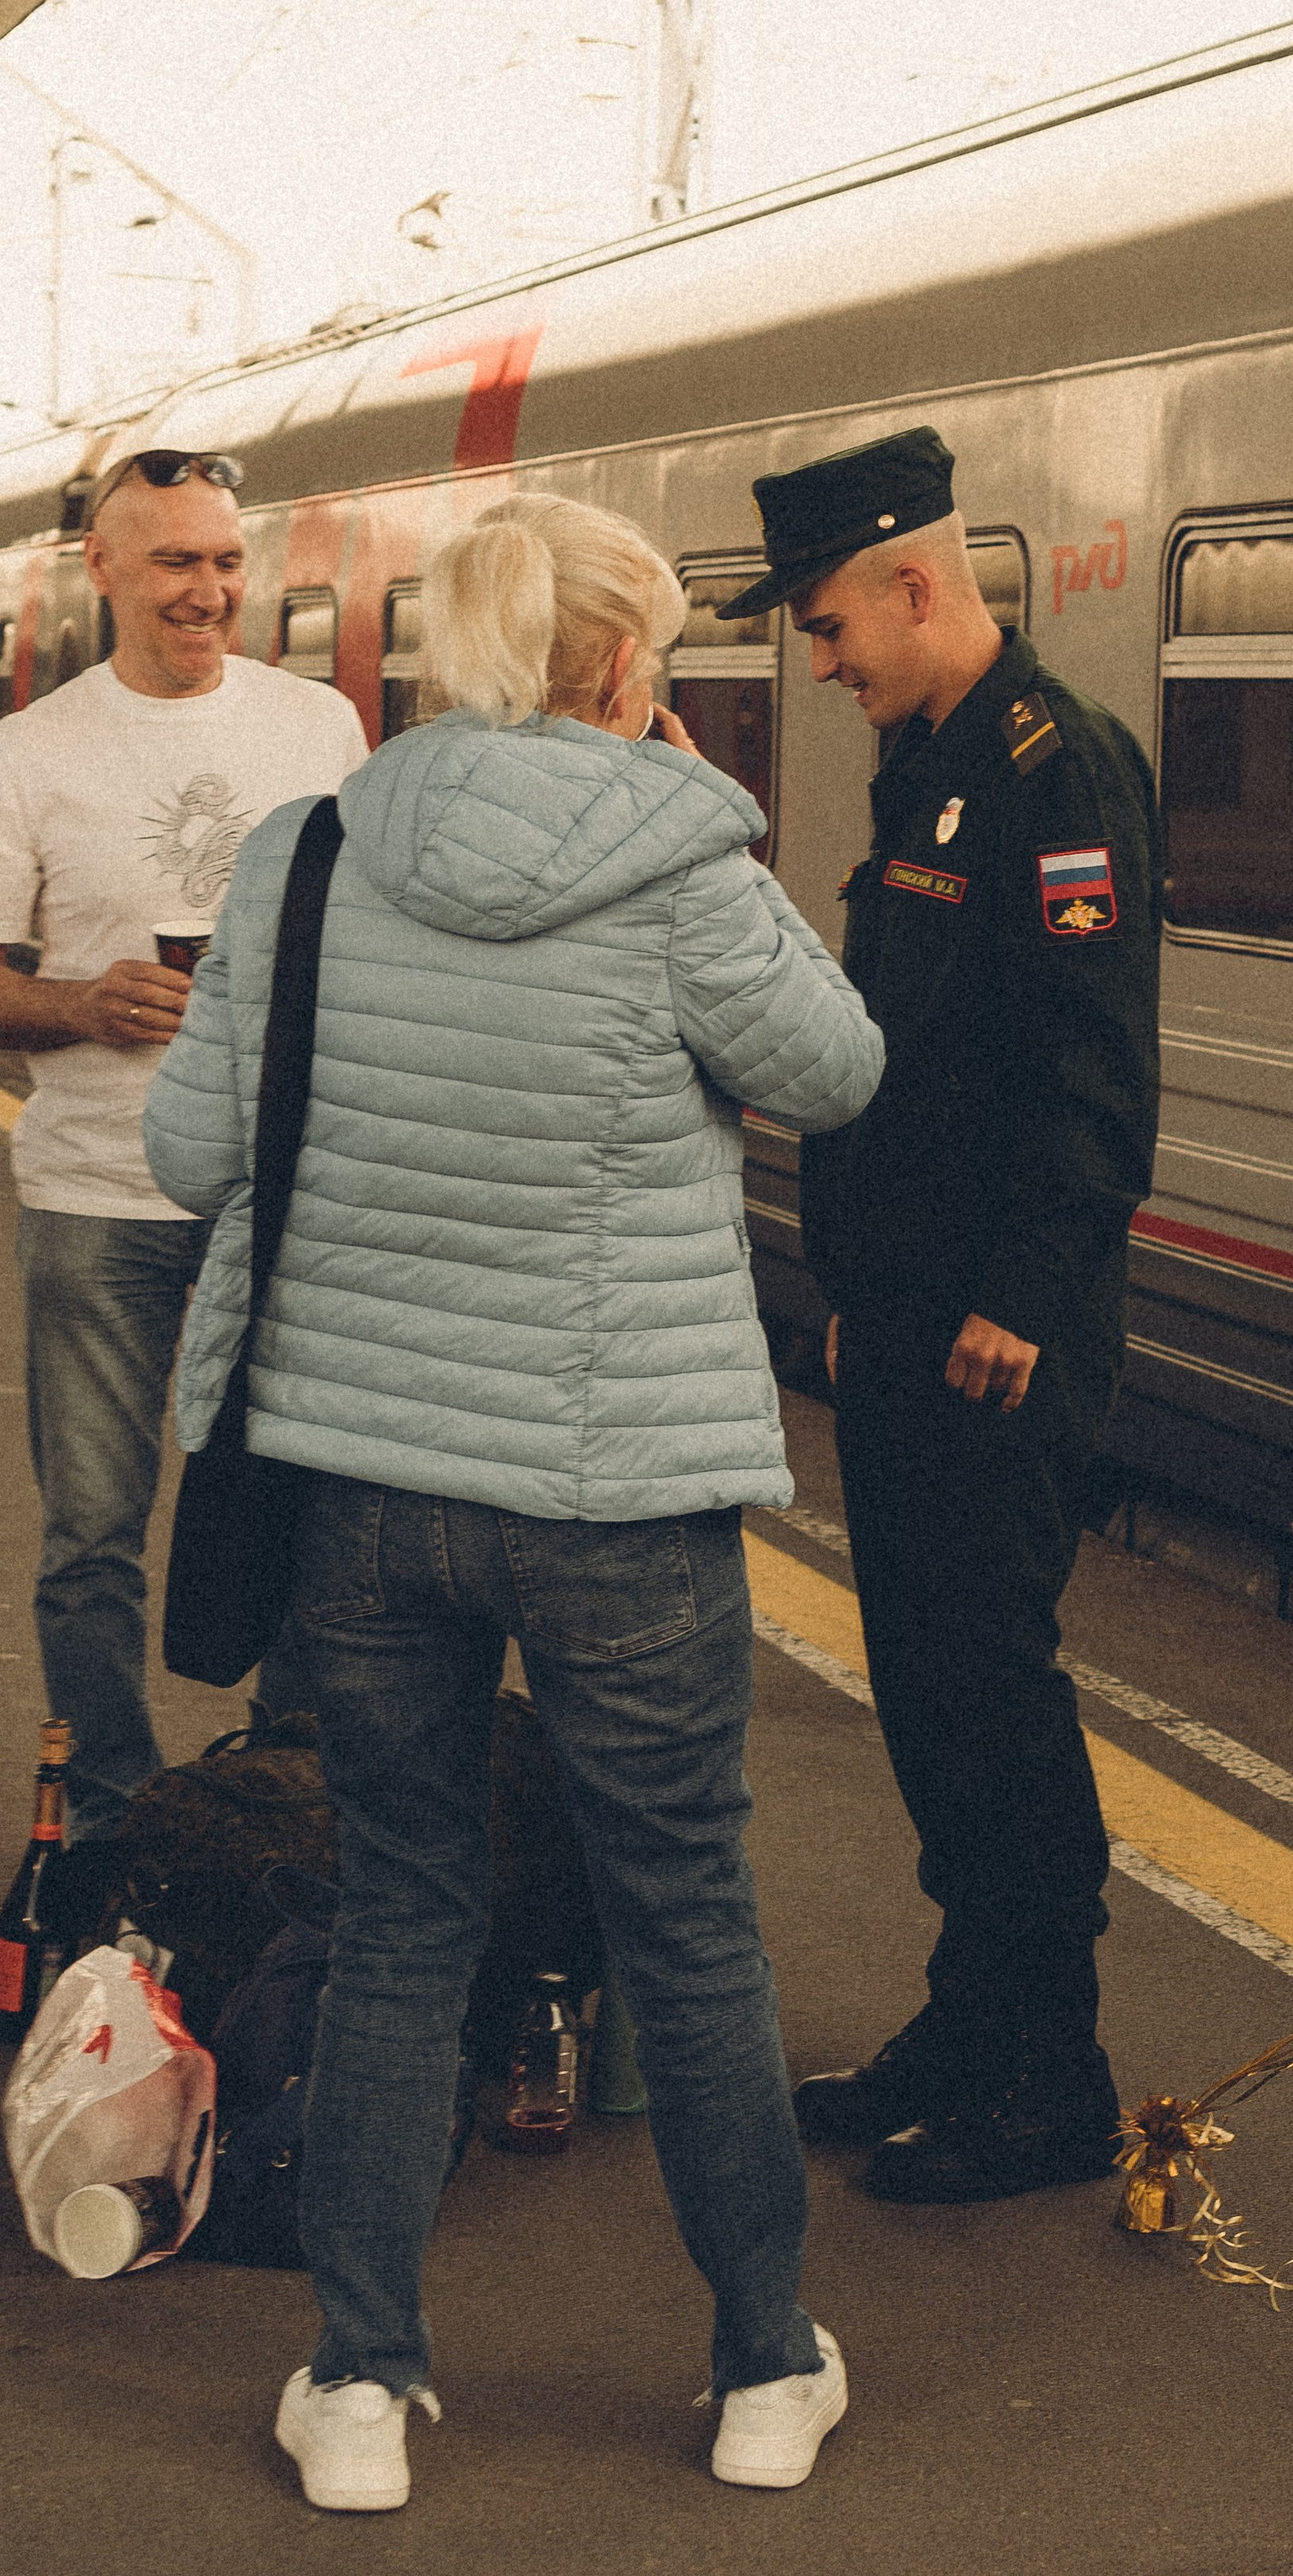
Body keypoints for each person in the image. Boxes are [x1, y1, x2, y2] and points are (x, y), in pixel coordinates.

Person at [145, 491, 884, 2516]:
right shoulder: (682, 859)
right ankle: (762, 2371)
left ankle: (360, 2388)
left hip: (366, 1487)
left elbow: (198, 1153)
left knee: (402, 1916)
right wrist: (686, 813)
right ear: (624, 666)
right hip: (618, 1493)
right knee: (687, 1923)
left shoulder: (306, 855)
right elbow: (833, 1069)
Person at [718, 426, 1161, 2205]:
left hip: (998, 1334)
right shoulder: (931, 763)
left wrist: (1017, 1300)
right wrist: (866, 1298)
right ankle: (969, 2024)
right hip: (912, 1319)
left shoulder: (1060, 771)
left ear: (915, 583)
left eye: (829, 627)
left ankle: (1047, 2076)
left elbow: (1091, 1074)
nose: (820, 664)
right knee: (924, 1690)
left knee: (991, 1695)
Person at [0, 447, 367, 1844]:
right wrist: (80, 1005)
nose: (208, 591)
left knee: (306, 1517)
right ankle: (114, 1823)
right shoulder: (30, 754)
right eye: (175, 563)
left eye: (225, 561)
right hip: (98, 1197)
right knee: (92, 1538)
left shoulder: (320, 725)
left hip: (283, 1198)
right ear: (101, 570)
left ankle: (274, 1807)